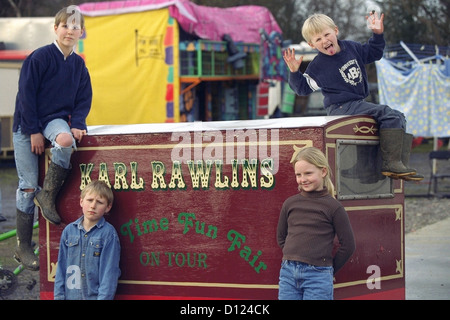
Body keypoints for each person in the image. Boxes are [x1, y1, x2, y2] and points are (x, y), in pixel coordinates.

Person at [283, 13, 423, 182]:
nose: (325, 41)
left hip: (358, 103)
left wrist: (377, 34)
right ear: (312, 44)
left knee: (398, 116)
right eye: (318, 39)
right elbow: (302, 89)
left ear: (336, 31)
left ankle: (377, 169)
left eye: (327, 35)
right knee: (389, 114)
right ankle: (391, 164)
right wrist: (294, 72)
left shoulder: (352, 48)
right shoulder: (317, 66)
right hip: (340, 107)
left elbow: (374, 53)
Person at [12, 5, 92, 270]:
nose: (70, 31)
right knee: (26, 186)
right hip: (27, 123)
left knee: (67, 141)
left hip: (54, 119)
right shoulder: (40, 58)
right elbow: (26, 96)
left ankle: (48, 196)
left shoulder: (79, 65)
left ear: (82, 32)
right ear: (55, 29)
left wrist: (78, 123)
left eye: (75, 26)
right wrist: (34, 131)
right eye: (65, 26)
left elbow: (83, 98)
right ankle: (23, 247)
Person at [277, 147, 355, 300]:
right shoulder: (290, 203)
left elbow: (348, 245)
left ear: (323, 171)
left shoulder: (333, 207)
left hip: (318, 275)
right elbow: (281, 237)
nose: (303, 179)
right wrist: (292, 254)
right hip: (288, 273)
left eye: (308, 173)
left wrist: (328, 269)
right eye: (298, 175)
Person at [54, 180, 121, 300]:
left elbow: (109, 273)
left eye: (99, 202)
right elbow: (61, 268)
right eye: (89, 200)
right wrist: (58, 296)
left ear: (107, 207)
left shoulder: (108, 234)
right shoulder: (69, 231)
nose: (93, 206)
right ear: (81, 201)